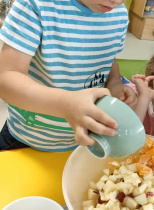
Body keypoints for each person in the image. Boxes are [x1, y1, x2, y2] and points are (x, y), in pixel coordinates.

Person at [0, 0, 137, 151]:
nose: (117, 1)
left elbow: (108, 58)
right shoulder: (35, 5)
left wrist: (114, 83)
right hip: (26, 138)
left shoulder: (119, 14)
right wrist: (67, 103)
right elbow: (6, 79)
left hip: (82, 141)